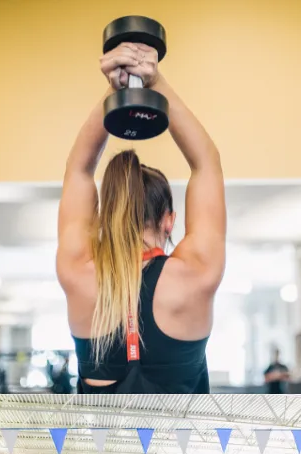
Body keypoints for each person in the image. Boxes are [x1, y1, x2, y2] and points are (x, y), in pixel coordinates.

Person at [56, 41, 225, 393]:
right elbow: (206, 163)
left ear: (105, 218)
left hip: (98, 451)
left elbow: (78, 169)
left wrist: (117, 88)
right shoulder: (197, 272)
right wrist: (154, 78)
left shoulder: (78, 272)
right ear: (169, 220)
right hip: (182, 450)